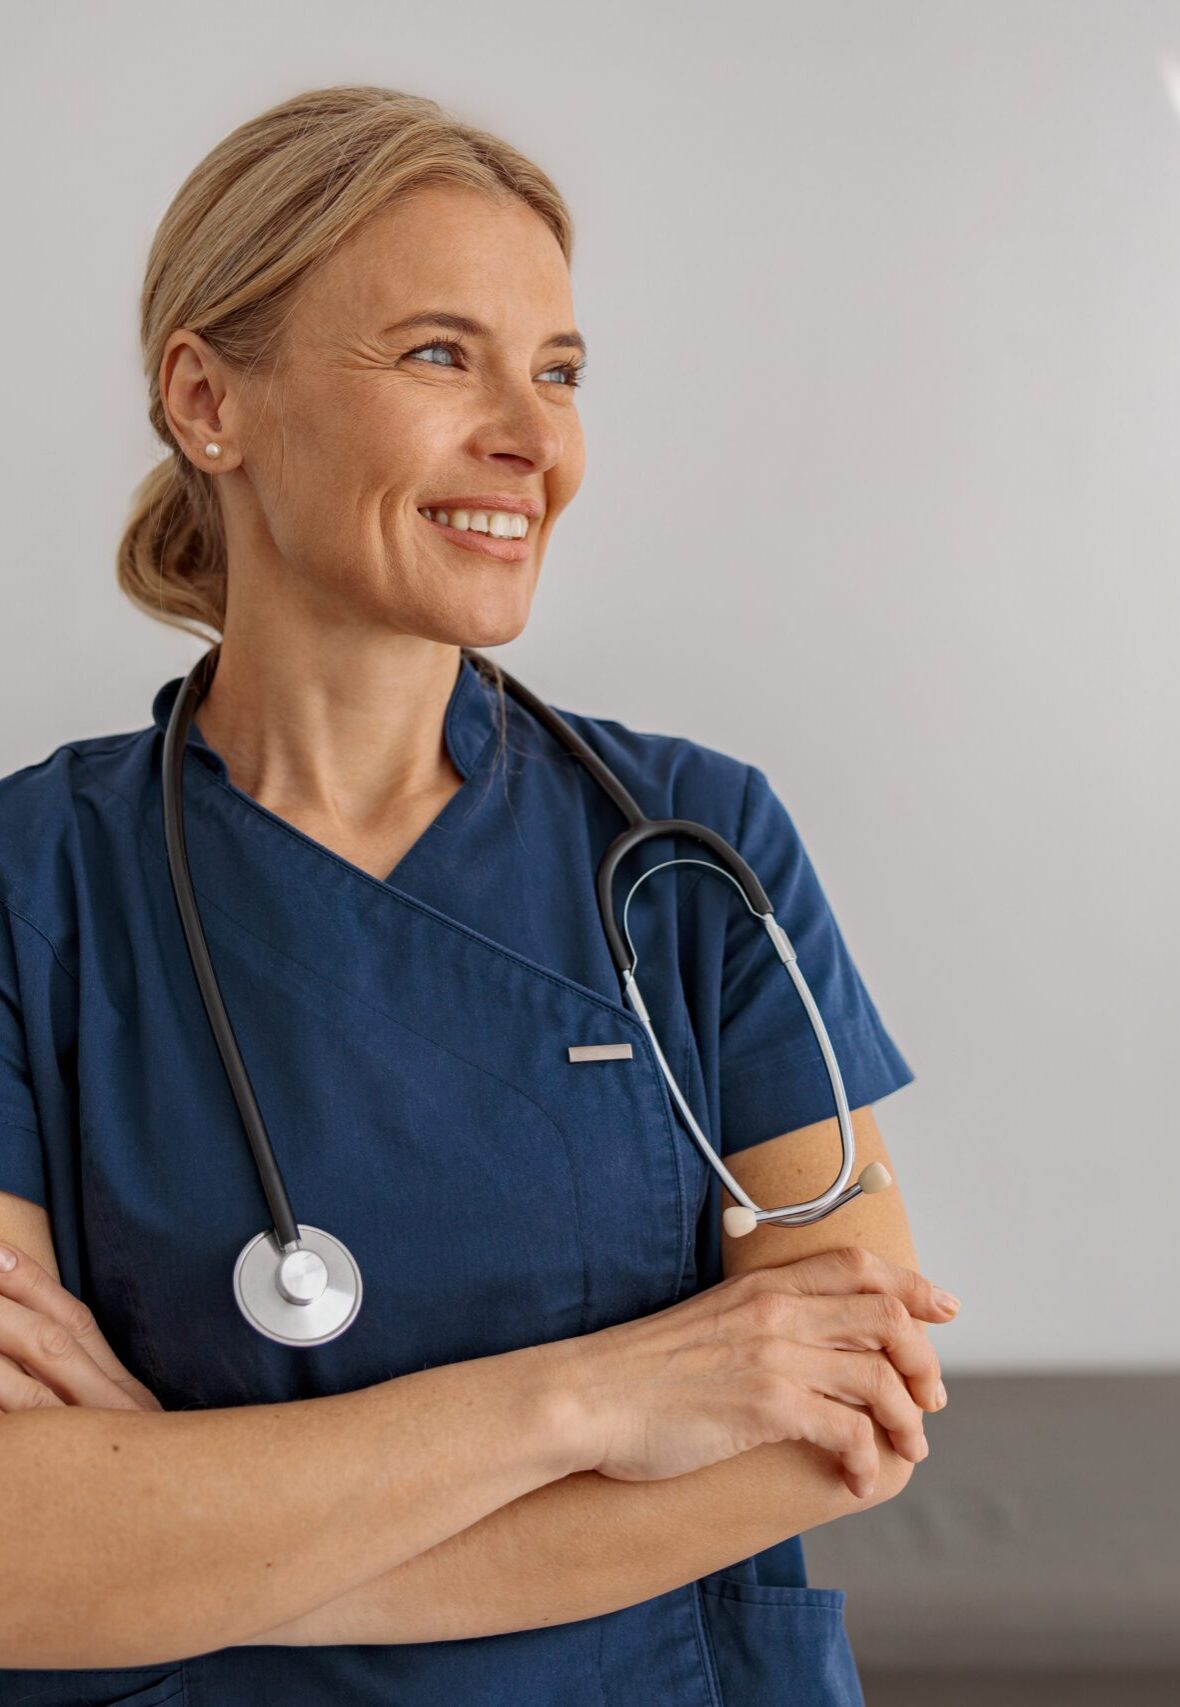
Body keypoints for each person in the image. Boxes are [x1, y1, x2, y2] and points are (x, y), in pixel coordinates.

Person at [0, 84, 956, 1706]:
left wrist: (188, 1552)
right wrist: (589, 1401)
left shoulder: (689, 848)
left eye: (560, 371)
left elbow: (846, 1421)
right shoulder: (35, 887)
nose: (534, 436)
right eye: (443, 355)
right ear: (206, 399)